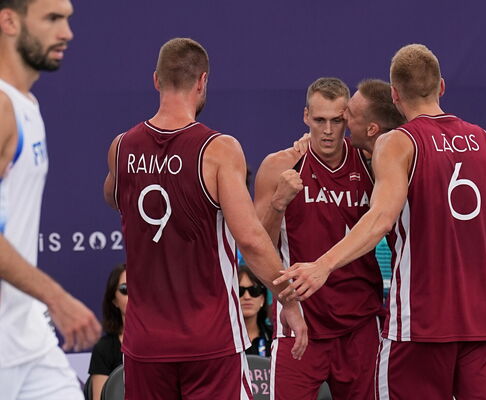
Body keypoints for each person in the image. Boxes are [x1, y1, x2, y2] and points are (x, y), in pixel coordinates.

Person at [275, 44, 486, 399]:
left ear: (395, 94)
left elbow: (380, 218)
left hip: (423, 323)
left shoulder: (399, 142)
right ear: (441, 86)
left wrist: (322, 266)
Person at [103, 37, 307, 399]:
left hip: (145, 342)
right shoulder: (218, 149)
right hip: (210, 338)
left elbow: (113, 196)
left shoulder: (122, 147)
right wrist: (287, 300)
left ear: (156, 80)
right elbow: (250, 238)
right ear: (202, 81)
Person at [254, 77, 383, 399]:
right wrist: (278, 203)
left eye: (337, 121)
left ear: (349, 121)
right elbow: (256, 245)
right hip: (301, 319)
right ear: (305, 117)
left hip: (360, 321)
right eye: (319, 120)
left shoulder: (372, 162)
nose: (327, 130)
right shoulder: (280, 166)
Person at [0, 0, 101, 398]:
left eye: (68, 20)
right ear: (8, 20)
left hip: (27, 335)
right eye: (52, 19)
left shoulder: (26, 104)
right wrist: (57, 297)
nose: (67, 33)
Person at [88, 264, 127, 400]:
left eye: (138, 287)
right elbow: (99, 398)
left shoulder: (162, 344)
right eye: (125, 289)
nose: (133, 294)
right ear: (114, 300)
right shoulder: (104, 348)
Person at [239, 265, 273, 357]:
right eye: (239, 291)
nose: (247, 297)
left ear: (262, 299)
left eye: (254, 290)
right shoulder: (220, 340)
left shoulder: (274, 337)